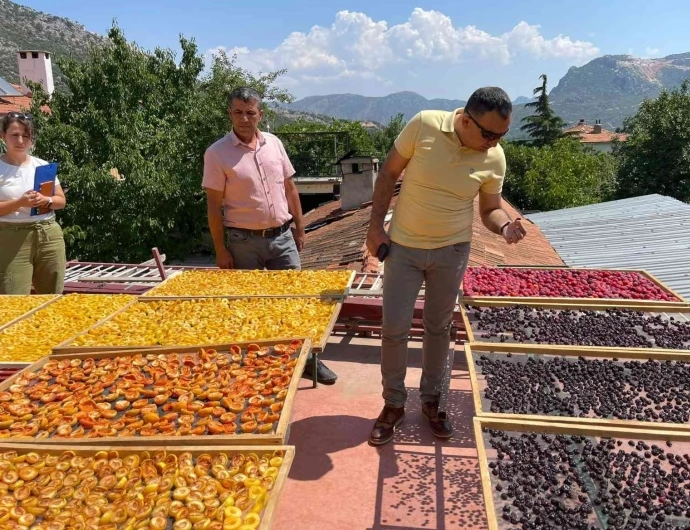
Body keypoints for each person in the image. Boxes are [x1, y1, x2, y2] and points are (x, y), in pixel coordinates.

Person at [365, 87, 527, 446]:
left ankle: (432, 401)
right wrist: (375, 227)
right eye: (488, 134)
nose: (494, 142)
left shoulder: (494, 157)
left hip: (452, 251)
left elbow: (489, 209)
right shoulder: (424, 125)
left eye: (502, 135)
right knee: (394, 328)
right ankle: (393, 403)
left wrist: (504, 226)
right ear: (466, 120)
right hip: (403, 248)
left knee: (439, 328)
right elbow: (388, 174)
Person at [202, 86, 338, 385]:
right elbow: (213, 205)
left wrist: (300, 229)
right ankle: (255, 364)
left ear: (260, 115)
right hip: (242, 241)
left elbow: (290, 188)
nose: (244, 119)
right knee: (250, 304)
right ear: (230, 114)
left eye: (250, 113)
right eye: (238, 112)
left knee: (296, 301)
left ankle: (308, 360)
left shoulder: (275, 144)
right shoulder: (217, 153)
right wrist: (220, 250)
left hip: (282, 236)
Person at [0, 112, 67, 295]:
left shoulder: (42, 165)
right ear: (3, 135)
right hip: (11, 237)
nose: (21, 140)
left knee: (52, 295)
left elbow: (61, 201)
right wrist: (20, 202)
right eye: (15, 135)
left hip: (48, 233)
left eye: (26, 135)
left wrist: (47, 200)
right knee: (12, 297)